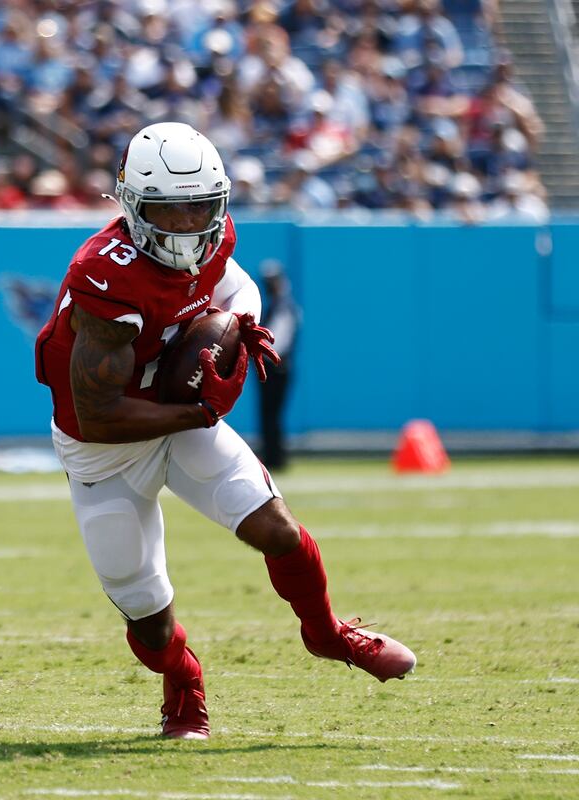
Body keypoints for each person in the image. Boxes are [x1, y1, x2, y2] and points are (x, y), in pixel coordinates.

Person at [34, 122, 414, 740]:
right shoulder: (106, 275)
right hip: (103, 448)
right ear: (133, 206)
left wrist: (240, 330)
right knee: (147, 616)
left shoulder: (215, 240)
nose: (188, 224)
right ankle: (182, 676)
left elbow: (237, 289)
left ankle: (327, 633)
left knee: (278, 530)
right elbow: (101, 414)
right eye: (169, 209)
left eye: (200, 206)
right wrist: (201, 409)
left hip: (179, 419)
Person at [258, 259, 301, 471]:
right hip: (272, 368)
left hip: (277, 369)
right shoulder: (278, 305)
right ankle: (272, 454)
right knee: (269, 414)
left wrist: (256, 347)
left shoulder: (284, 307)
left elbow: (277, 342)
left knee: (272, 414)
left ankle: (275, 457)